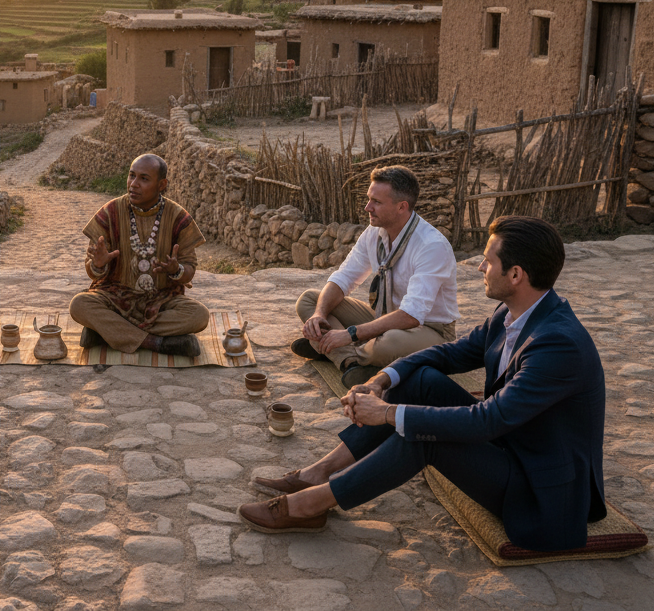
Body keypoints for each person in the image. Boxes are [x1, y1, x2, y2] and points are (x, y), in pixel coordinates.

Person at [240, 215, 607, 554]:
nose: (479, 267)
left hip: (541, 493)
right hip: (513, 445)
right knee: (420, 378)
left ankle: (311, 505)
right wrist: (382, 380)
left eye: (488, 261)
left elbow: (487, 420)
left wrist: (386, 414)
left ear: (515, 275)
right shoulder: (513, 314)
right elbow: (448, 354)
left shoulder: (557, 344)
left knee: (421, 439)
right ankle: (319, 472)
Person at [293, 165, 459, 388]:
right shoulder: (374, 233)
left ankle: (329, 349)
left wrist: (350, 334)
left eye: (377, 202)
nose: (367, 207)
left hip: (429, 329)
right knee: (311, 300)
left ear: (402, 207)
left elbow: (411, 315)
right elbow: (344, 277)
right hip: (385, 316)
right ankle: (350, 362)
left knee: (386, 345)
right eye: (369, 199)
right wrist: (319, 314)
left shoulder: (431, 246)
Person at [69, 153, 208, 356]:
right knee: (79, 305)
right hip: (114, 297)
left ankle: (107, 332)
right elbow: (92, 272)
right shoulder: (110, 212)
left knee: (199, 315)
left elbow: (189, 272)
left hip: (161, 300)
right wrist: (98, 265)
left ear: (162, 184)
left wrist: (175, 269)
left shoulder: (177, 216)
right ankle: (155, 343)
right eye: (131, 176)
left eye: (144, 179)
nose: (134, 184)